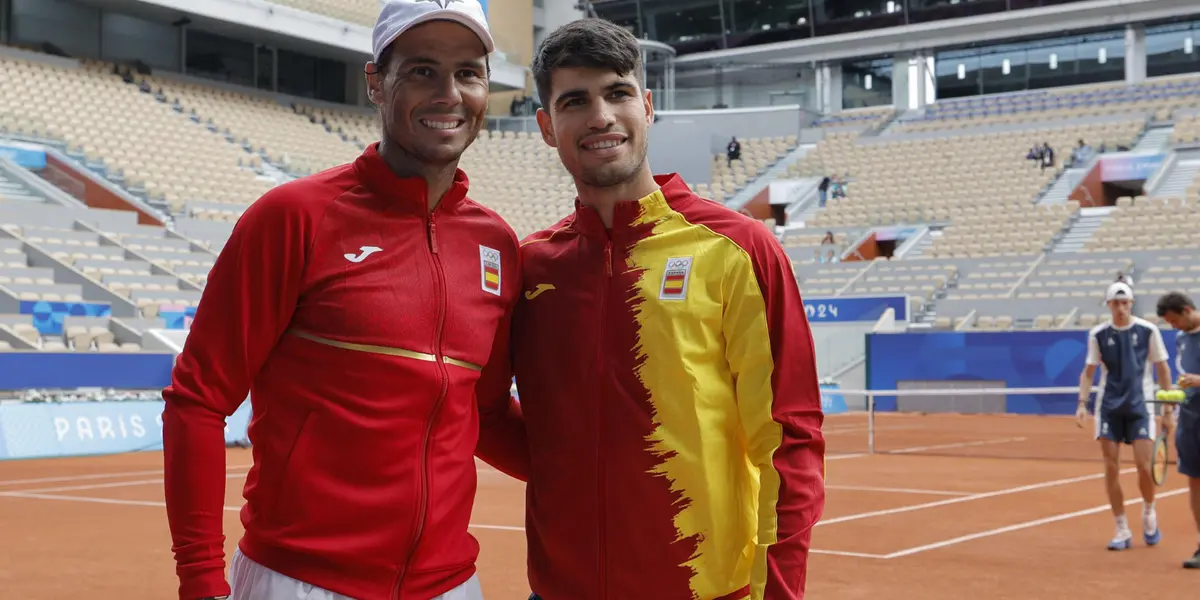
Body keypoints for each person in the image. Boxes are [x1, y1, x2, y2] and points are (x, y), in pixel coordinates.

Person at [161, 1, 525, 599]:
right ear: (376, 83)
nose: (449, 93)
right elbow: (198, 400)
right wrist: (200, 580)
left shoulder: (497, 244)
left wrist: (601, 463)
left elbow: (483, 415)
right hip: (301, 580)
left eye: (468, 72)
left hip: (453, 585)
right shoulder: (293, 218)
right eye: (422, 70)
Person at [511, 18, 826, 600]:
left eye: (618, 92)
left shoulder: (736, 248)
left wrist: (778, 592)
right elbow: (477, 407)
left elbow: (790, 439)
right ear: (547, 127)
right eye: (575, 101)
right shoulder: (531, 266)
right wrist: (567, 470)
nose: (600, 116)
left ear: (647, 105)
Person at [1077, 282, 1176, 551]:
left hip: (1140, 406)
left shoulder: (1148, 331)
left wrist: (1168, 409)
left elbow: (1163, 370)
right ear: (1108, 305)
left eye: (1125, 303)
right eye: (1115, 304)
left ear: (1131, 303)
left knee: (1145, 467)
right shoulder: (1098, 334)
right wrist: (1082, 404)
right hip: (1108, 407)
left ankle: (1148, 511)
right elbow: (1088, 373)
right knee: (1111, 468)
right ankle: (1121, 527)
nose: (1120, 308)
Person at [1155, 291, 1200, 569]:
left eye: (1174, 320)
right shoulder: (1182, 339)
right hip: (1191, 421)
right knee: (1194, 481)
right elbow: (1185, 379)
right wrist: (1170, 401)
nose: (1172, 327)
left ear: (1186, 310)